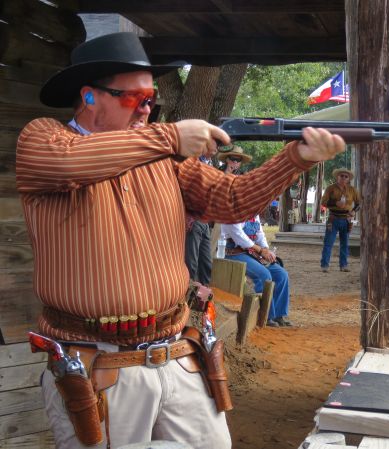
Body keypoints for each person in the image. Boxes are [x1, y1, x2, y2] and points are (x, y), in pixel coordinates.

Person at [16, 32, 345, 449]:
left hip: (176, 351)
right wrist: (170, 137)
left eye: (150, 98)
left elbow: (232, 200)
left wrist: (296, 158)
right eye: (133, 98)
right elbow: (67, 162)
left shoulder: (165, 161)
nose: (146, 108)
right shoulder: (44, 137)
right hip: (96, 362)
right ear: (89, 96)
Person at [218, 150, 291, 327]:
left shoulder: (252, 208)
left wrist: (266, 250)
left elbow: (258, 232)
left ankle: (279, 314)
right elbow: (238, 236)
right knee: (264, 275)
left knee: (281, 274)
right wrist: (260, 250)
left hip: (250, 252)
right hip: (233, 252)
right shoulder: (230, 206)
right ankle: (265, 316)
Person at [320, 168, 361, 273]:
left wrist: (354, 211)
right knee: (328, 242)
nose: (343, 178)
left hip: (346, 219)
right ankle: (325, 265)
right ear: (337, 177)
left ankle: (343, 265)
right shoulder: (330, 188)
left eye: (346, 176)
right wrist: (335, 203)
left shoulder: (352, 190)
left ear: (348, 179)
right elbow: (323, 202)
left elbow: (359, 203)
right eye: (341, 176)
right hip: (333, 218)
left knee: (345, 243)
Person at [185, 156, 214, 285]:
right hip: (193, 219)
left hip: (204, 220)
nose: (216, 148)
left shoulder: (209, 162)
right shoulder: (192, 162)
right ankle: (188, 291)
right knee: (191, 262)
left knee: (206, 263)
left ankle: (205, 291)